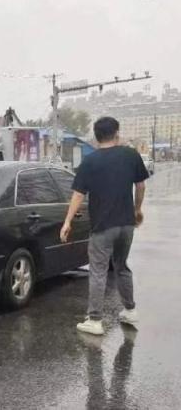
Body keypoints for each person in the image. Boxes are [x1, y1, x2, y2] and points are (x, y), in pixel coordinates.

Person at [60, 116, 149, 335]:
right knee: (122, 266)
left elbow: (78, 194)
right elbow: (140, 186)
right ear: (116, 133)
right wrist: (137, 210)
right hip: (126, 224)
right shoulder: (131, 155)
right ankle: (130, 310)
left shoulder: (90, 161)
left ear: (96, 136)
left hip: (102, 226)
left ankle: (95, 320)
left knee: (98, 271)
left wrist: (68, 221)